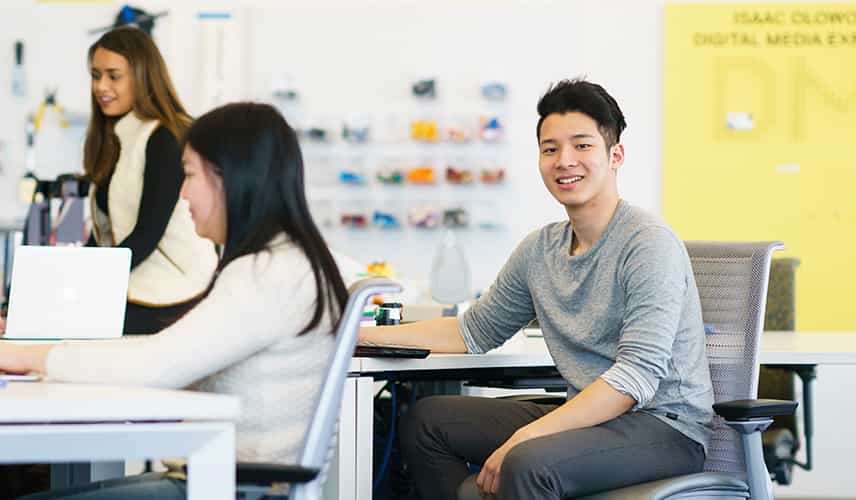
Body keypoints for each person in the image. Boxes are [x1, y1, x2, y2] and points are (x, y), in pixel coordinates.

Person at [360, 78, 715, 499]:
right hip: (589, 415)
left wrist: (523, 438)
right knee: (426, 422)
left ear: (615, 155)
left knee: (528, 462)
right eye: (551, 149)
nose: (564, 160)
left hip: (663, 426)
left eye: (582, 146)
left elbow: (633, 379)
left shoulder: (647, 243)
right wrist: (357, 334)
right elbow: (471, 331)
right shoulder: (540, 249)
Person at [0, 102, 348, 499]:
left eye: (188, 175)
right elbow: (163, 354)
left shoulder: (268, 273)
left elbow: (153, 365)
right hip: (222, 480)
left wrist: (25, 357)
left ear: (230, 178)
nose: (182, 193)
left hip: (227, 486)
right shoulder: (284, 263)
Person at [84, 26, 217, 334]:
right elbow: (104, 236)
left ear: (142, 77)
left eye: (113, 76)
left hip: (176, 294)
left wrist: (83, 282)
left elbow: (147, 233)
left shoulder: (164, 138)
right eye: (95, 75)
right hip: (136, 288)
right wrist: (64, 279)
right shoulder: (116, 140)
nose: (101, 86)